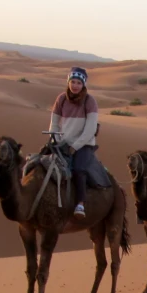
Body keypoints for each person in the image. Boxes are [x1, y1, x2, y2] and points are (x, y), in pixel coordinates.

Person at [49, 66, 99, 219]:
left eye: (78, 82)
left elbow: (90, 129)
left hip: (83, 144)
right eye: (73, 82)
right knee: (40, 163)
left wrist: (75, 146)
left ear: (83, 84)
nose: (75, 85)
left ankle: (80, 203)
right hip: (62, 142)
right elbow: (54, 123)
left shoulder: (89, 101)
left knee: (78, 169)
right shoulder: (61, 99)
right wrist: (55, 139)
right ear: (68, 82)